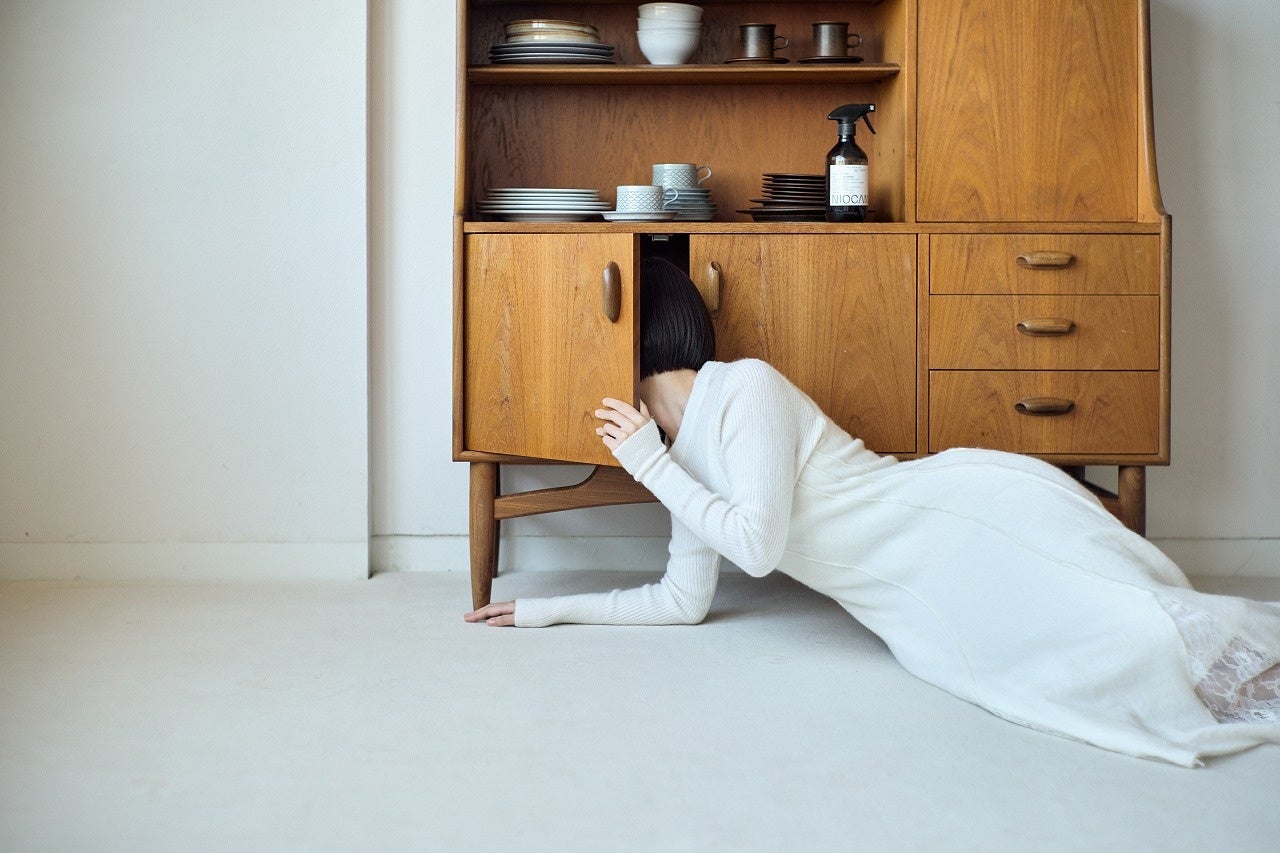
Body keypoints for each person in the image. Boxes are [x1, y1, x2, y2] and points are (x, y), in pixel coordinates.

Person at [464, 256, 1280, 766]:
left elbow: (755, 543)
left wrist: (647, 463)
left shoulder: (745, 386)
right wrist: (544, 610)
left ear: (631, 338)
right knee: (1080, 669)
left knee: (1144, 629)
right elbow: (684, 600)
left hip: (953, 524)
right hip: (916, 594)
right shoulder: (679, 457)